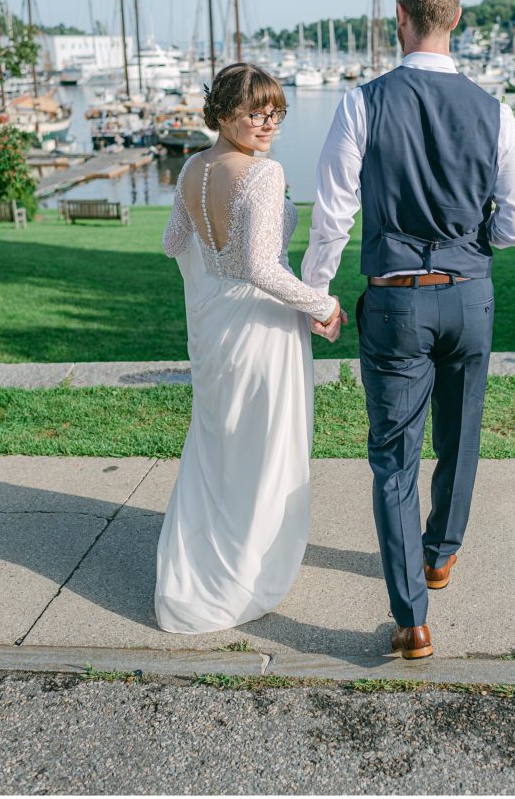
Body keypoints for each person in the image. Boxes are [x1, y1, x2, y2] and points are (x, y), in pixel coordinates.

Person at [302, 0, 515, 659]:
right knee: (461, 432)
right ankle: (441, 554)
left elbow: (332, 216)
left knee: (394, 457)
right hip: (468, 296)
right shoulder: (495, 111)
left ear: (398, 17)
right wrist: (469, 247)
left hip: (397, 301)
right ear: (455, 19)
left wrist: (319, 293)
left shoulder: (361, 103)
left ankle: (412, 617)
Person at [154, 63, 342, 634]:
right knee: (264, 449)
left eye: (275, 113)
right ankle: (245, 571)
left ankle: (205, 561)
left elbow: (173, 244)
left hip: (215, 327)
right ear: (223, 113)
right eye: (255, 113)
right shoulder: (262, 175)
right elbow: (261, 266)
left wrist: (217, 269)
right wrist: (319, 304)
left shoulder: (191, 167)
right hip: (260, 330)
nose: (267, 124)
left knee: (221, 446)